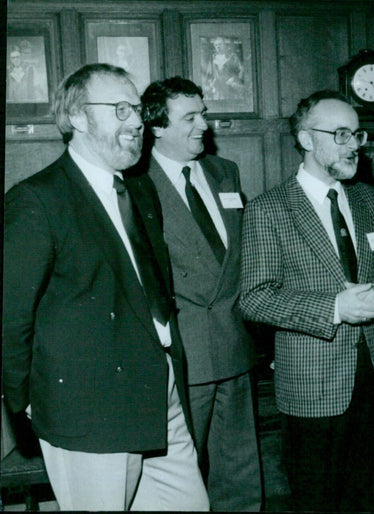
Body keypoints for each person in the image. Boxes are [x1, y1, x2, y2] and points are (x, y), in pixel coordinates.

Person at [2, 63, 209, 511]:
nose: (136, 121)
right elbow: (9, 316)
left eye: (135, 109)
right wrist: (30, 404)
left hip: (162, 395)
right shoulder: (36, 200)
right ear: (77, 117)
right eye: (119, 110)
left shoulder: (139, 189)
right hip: (89, 410)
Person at [239, 90, 374, 511]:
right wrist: (334, 308)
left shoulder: (368, 198)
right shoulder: (270, 209)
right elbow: (255, 298)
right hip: (313, 387)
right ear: (306, 139)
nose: (354, 144)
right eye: (341, 134)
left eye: (357, 134)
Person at [140, 76, 263, 511]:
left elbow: (243, 251)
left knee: (240, 473)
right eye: (190, 117)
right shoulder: (136, 184)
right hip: (183, 353)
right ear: (156, 127)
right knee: (179, 479)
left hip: (235, 343)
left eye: (203, 113)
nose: (203, 125)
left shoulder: (224, 172)